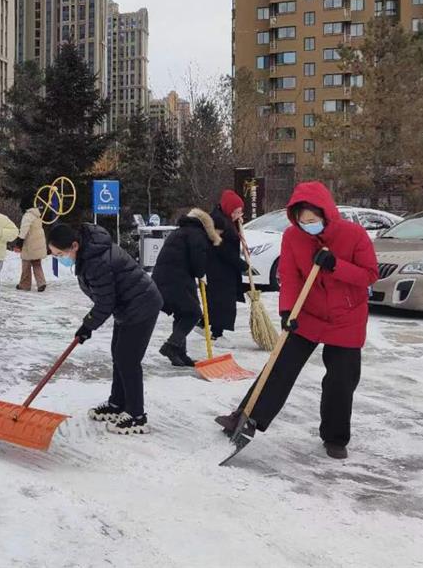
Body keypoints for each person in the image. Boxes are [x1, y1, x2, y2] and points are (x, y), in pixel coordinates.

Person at [215, 181, 378, 460]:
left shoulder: (354, 235)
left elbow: (369, 275)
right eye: (303, 222)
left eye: (313, 221)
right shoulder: (293, 237)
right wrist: (287, 311)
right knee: (281, 365)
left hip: (346, 317)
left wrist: (336, 265)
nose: (308, 227)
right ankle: (246, 417)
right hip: (309, 312)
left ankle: (335, 437)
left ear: (326, 214)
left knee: (341, 380)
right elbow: (289, 277)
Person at [48, 222, 163, 434]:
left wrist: (87, 326)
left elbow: (105, 302)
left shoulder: (96, 261)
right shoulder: (89, 251)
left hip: (141, 305)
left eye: (59, 254)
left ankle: (137, 416)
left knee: (127, 359)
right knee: (118, 355)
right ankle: (117, 404)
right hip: (127, 306)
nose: (58, 258)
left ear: (74, 246)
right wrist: (88, 325)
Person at [151, 208, 222, 367]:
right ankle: (171, 346)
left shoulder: (181, 231)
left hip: (166, 278)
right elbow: (198, 264)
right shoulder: (197, 235)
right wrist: (202, 272)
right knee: (193, 313)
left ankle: (179, 355)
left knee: (182, 314)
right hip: (176, 280)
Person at [205, 190, 248, 341]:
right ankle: (217, 334)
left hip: (224, 268)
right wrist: (241, 264)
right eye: (236, 211)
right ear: (229, 208)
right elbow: (222, 248)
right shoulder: (218, 221)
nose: (238, 214)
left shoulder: (223, 218)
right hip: (219, 268)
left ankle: (204, 325)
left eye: (240, 212)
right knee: (222, 301)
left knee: (220, 299)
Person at [13, 195, 47, 292]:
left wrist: (19, 243)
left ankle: (25, 284)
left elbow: (24, 231)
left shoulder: (27, 216)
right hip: (39, 243)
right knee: (37, 264)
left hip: (30, 244)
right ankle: (41, 283)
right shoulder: (37, 215)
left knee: (26, 263)